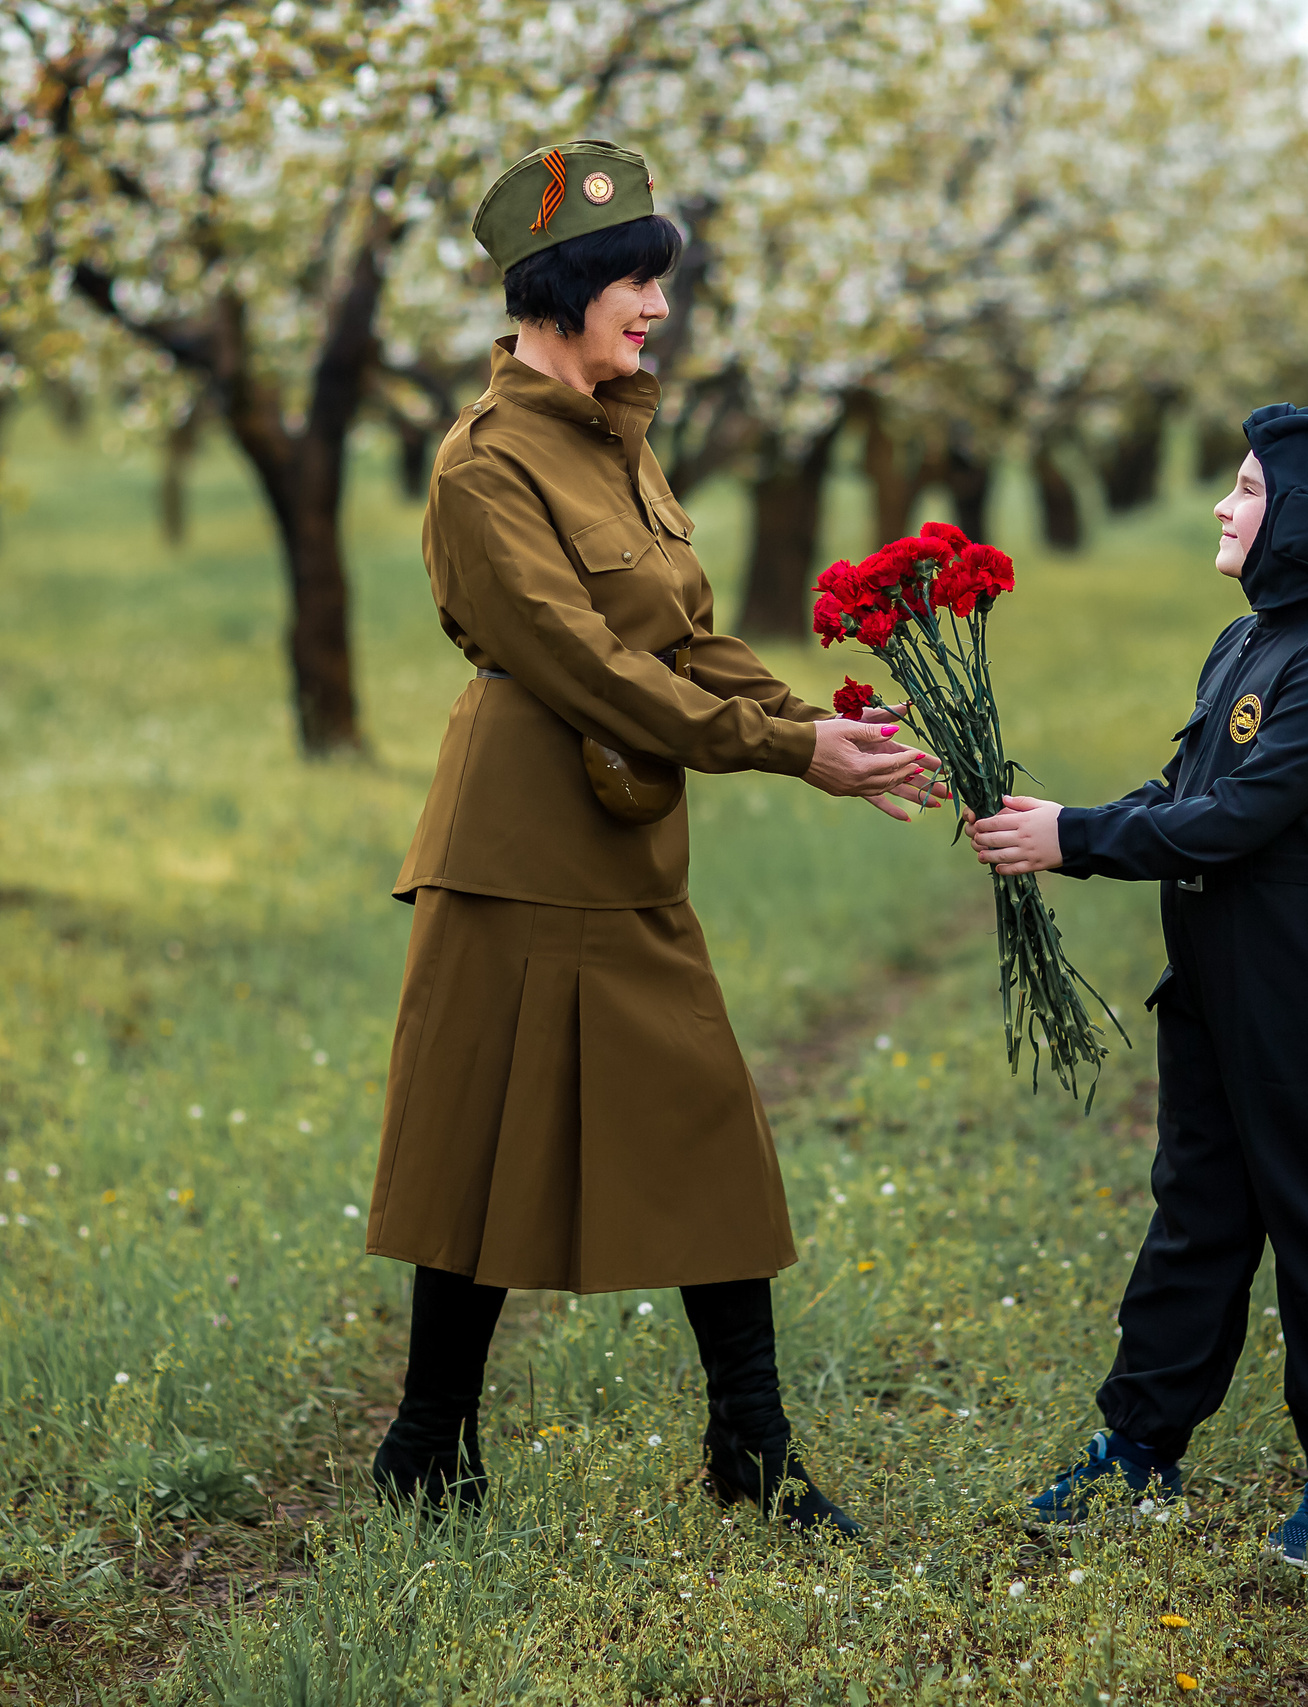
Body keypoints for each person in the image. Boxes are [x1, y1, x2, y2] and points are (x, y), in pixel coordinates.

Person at [361, 140, 943, 1535]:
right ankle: (427, 1444)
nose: (659, 309)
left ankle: (749, 1443)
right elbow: (584, 665)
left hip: (619, 838)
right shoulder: (481, 468)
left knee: (706, 1121)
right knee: (477, 1149)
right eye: (637, 281)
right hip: (515, 841)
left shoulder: (620, 437)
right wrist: (783, 748)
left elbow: (679, 634)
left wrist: (815, 728)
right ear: (561, 288)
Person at [968, 403, 1308, 1572]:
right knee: (1198, 1210)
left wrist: (1079, 840)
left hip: (1297, 978)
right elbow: (1181, 791)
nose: (1224, 507)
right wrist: (1063, 819)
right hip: (1212, 975)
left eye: (1249, 488)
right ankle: (1140, 1448)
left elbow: (1235, 819)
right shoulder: (1246, 643)